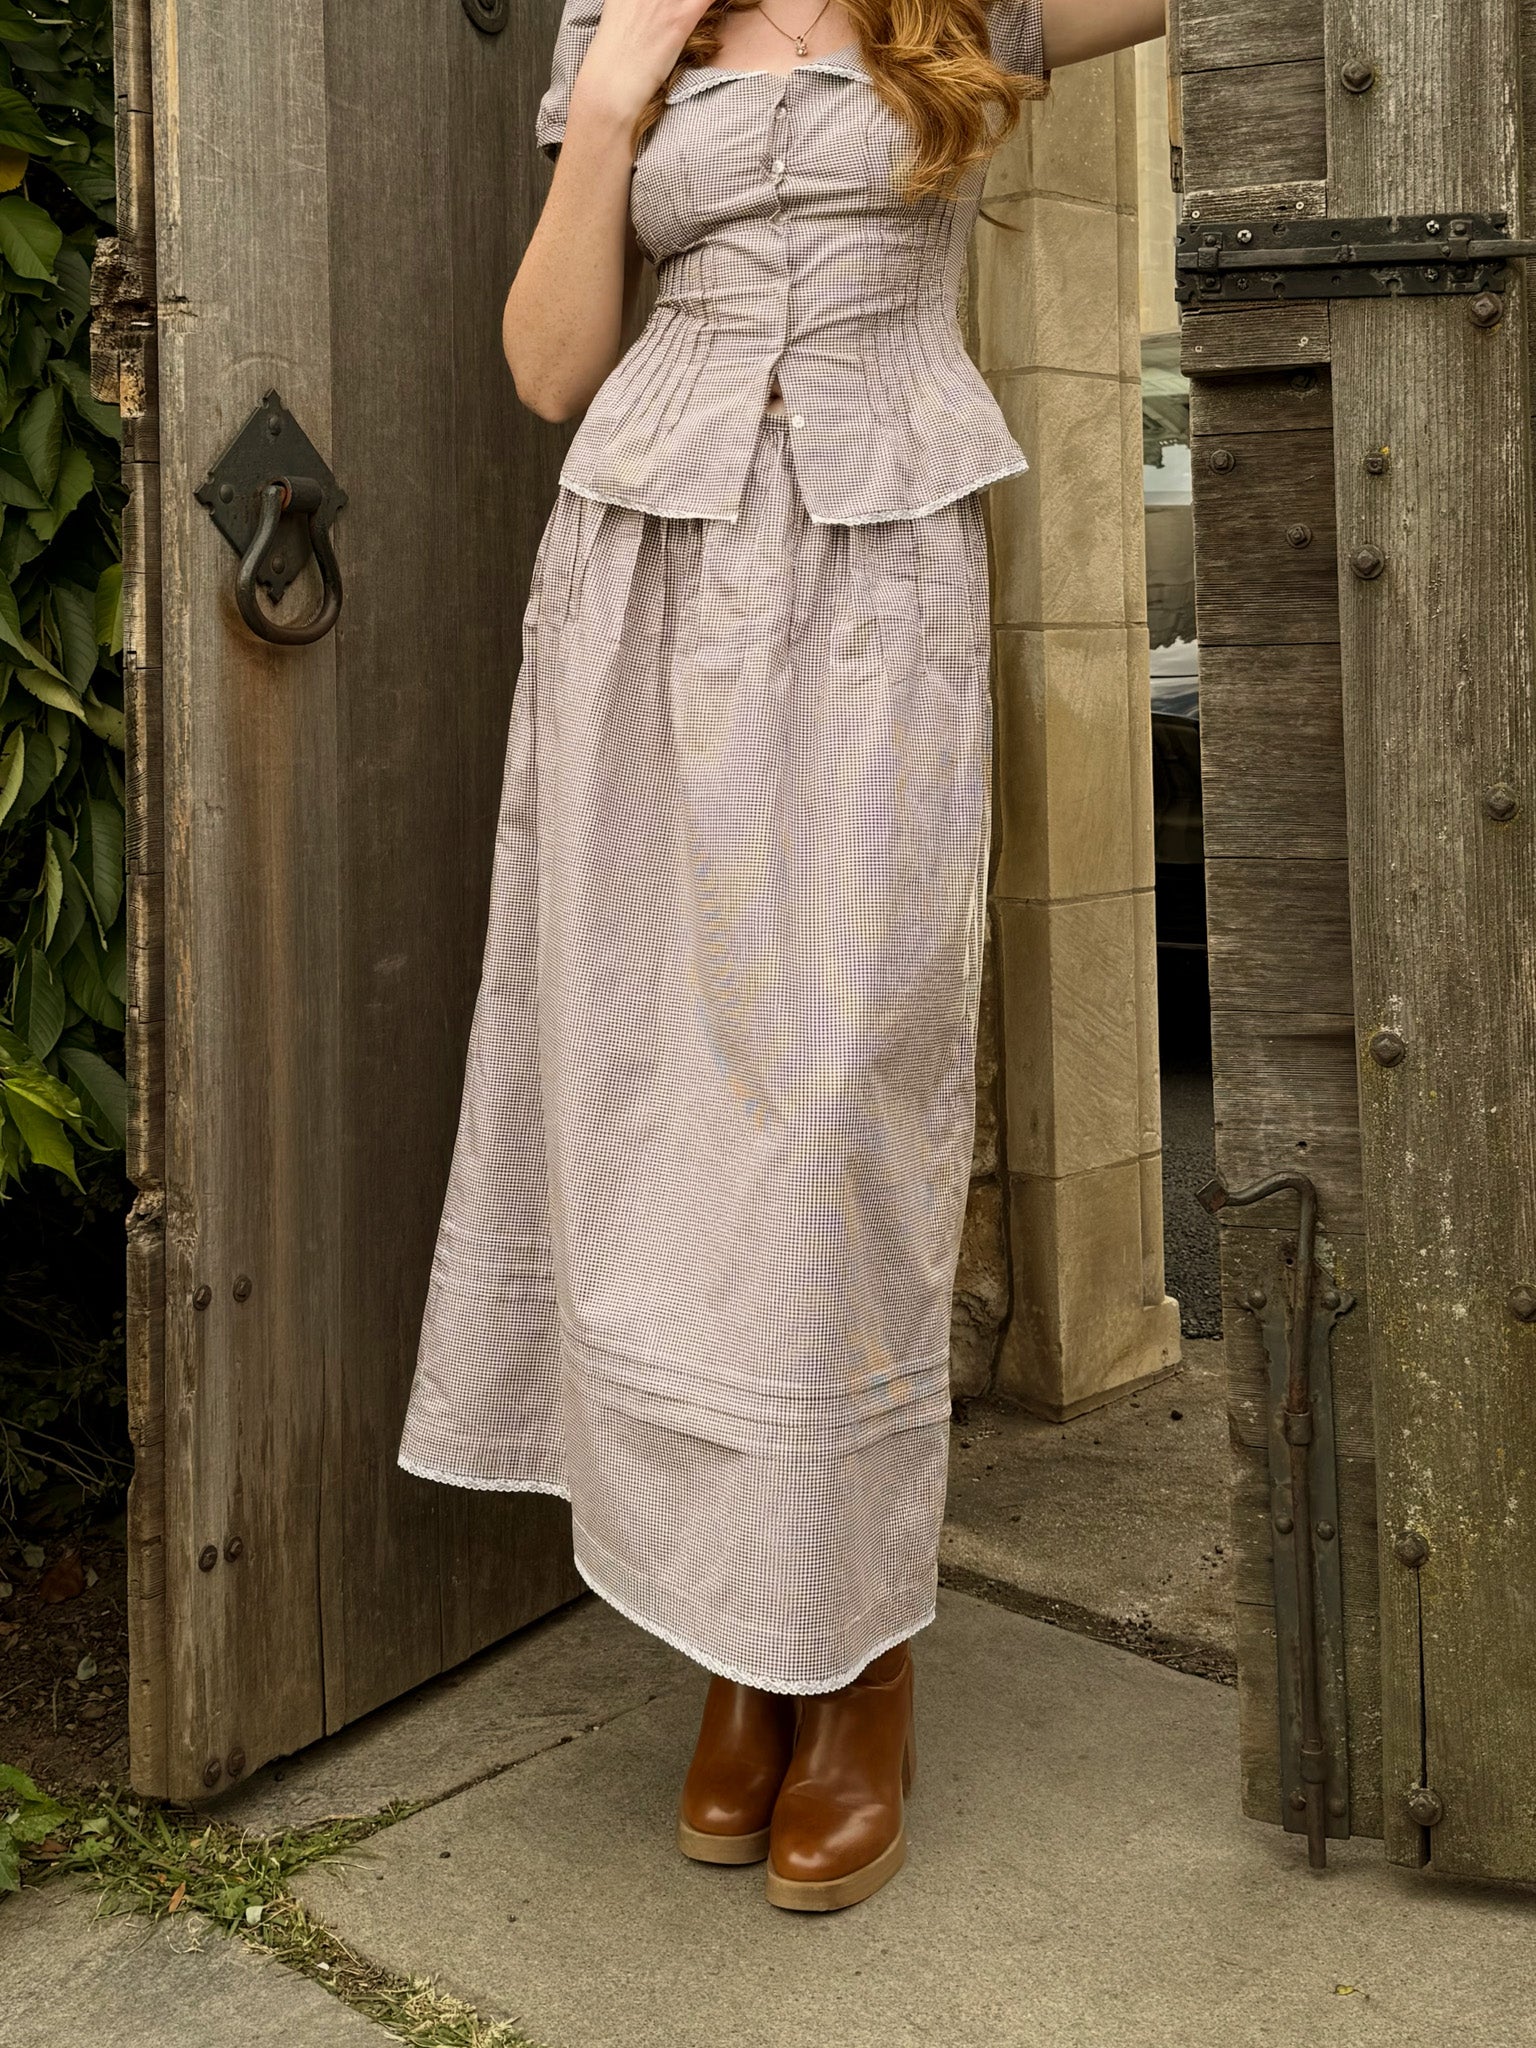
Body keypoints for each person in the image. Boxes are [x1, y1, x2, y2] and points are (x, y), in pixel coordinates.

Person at [399, 0, 1166, 1912]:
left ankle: (859, 1663)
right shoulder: (618, 23)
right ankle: (739, 1654)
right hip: (642, 584)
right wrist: (627, 86)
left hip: (871, 582)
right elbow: (549, 364)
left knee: (838, 1112)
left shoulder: (962, 11)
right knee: (653, 1101)